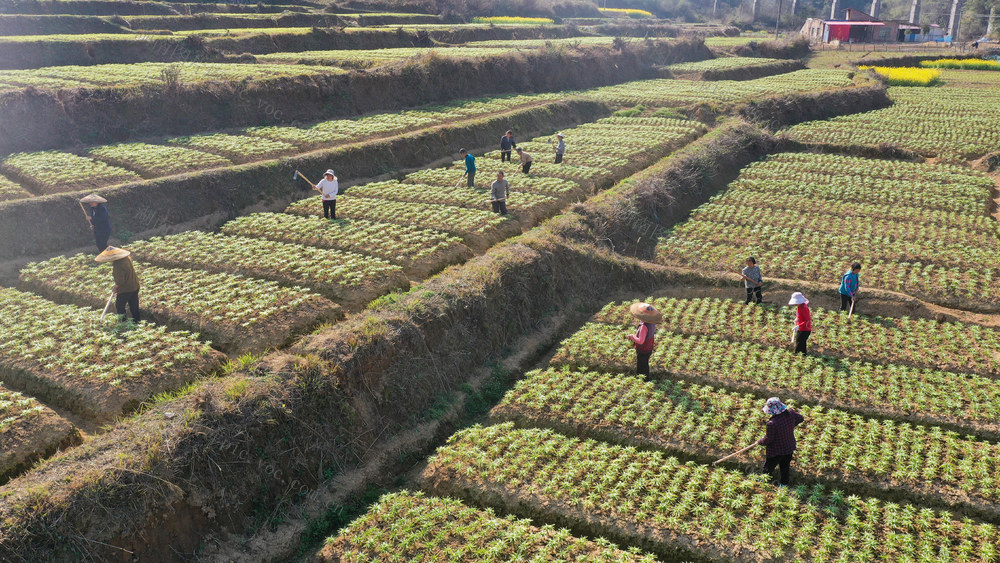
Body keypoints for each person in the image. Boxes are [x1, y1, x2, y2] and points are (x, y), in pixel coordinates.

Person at [757, 397, 805, 487]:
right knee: (785, 467)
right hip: (789, 447)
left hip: (776, 451)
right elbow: (800, 418)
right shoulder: (790, 413)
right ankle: (784, 485)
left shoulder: (771, 423)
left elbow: (769, 439)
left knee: (768, 467)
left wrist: (760, 442)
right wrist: (790, 425)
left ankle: (762, 482)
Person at [96, 246, 140, 323]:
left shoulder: (117, 265)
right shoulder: (127, 258)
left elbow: (120, 281)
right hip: (135, 285)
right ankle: (137, 321)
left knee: (120, 306)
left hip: (126, 289)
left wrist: (116, 286)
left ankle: (123, 322)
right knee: (134, 305)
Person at [626, 302, 661, 376]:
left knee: (642, 366)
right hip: (649, 347)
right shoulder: (652, 323)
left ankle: (643, 379)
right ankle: (645, 377)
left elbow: (640, 341)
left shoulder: (643, 327)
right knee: (645, 363)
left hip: (643, 349)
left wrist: (632, 336)